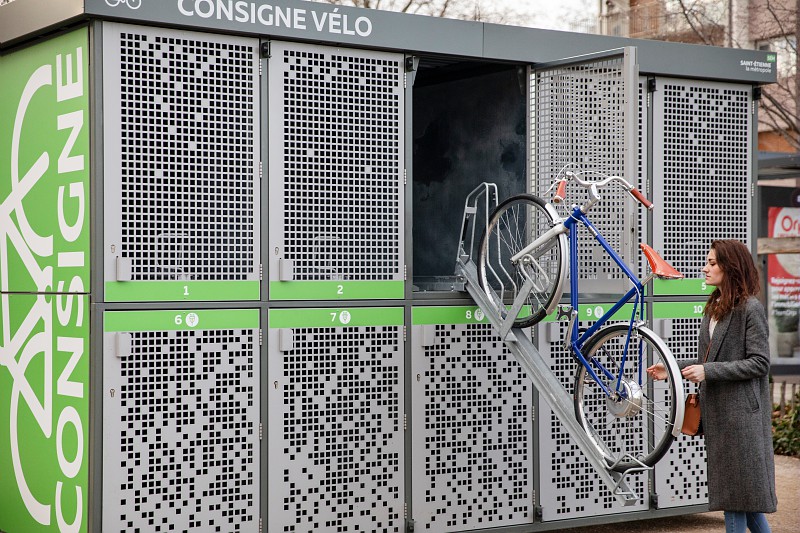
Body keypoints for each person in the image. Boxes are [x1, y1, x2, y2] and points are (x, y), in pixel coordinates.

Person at [647, 239, 777, 533]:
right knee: (746, 501)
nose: (705, 268)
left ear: (730, 267)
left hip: (742, 420)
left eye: (712, 263)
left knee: (734, 499)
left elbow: (759, 363)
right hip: (721, 417)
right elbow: (708, 358)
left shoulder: (750, 309)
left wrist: (708, 371)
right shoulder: (715, 307)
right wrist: (672, 369)